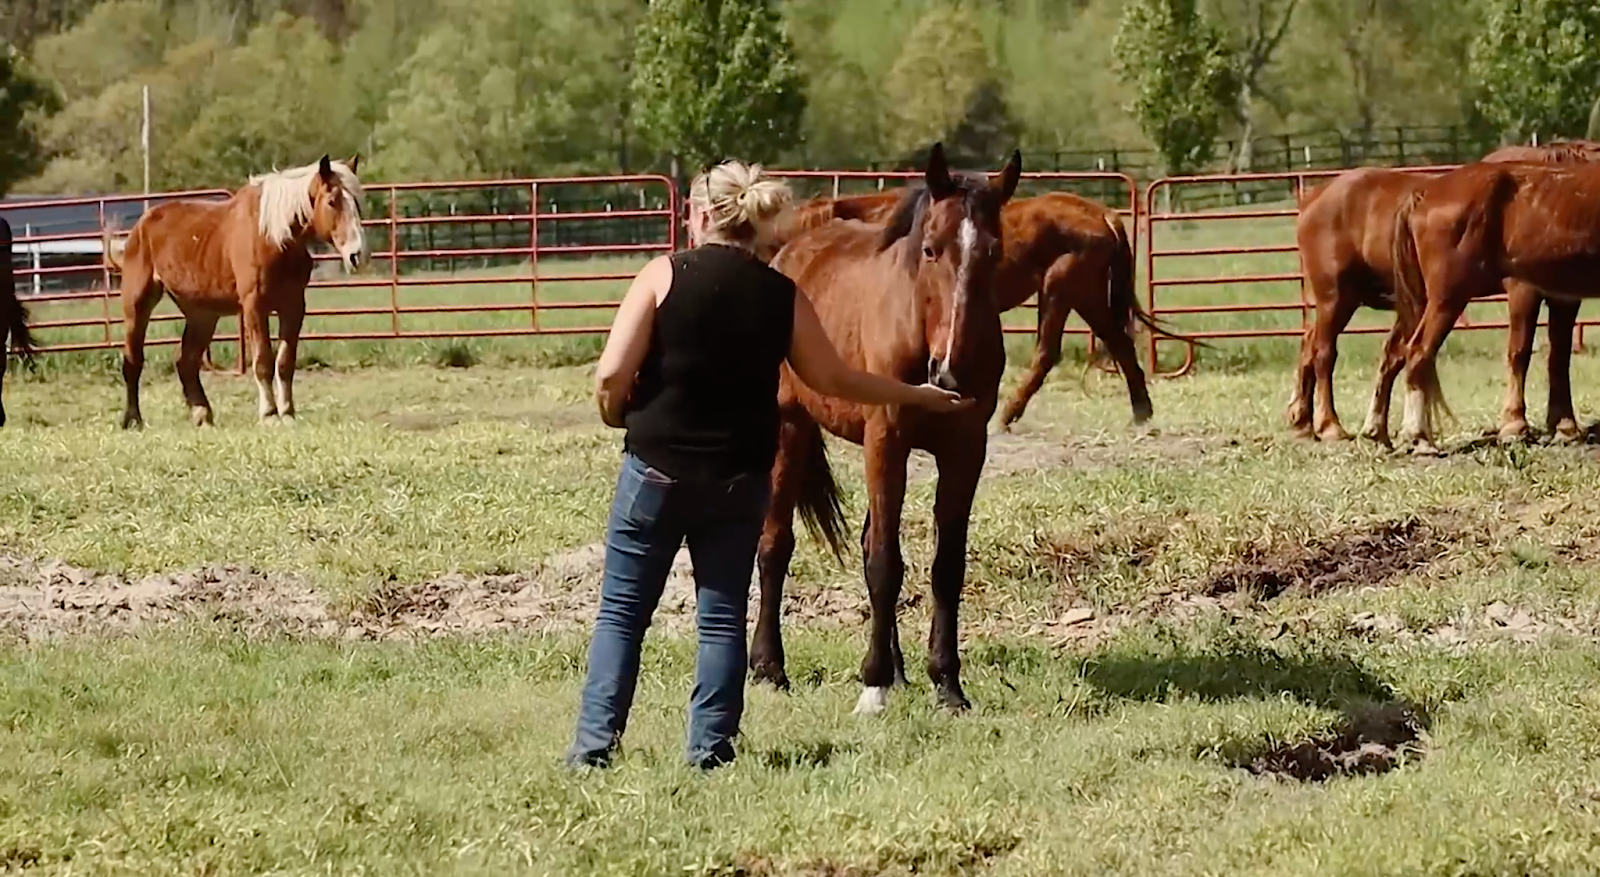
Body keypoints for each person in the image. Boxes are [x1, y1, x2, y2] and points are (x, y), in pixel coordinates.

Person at [566, 160, 975, 770]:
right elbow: (834, 378)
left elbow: (609, 375)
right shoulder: (781, 292)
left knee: (624, 614)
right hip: (740, 476)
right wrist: (916, 394)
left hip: (655, 469)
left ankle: (594, 751)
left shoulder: (661, 275)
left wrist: (614, 412)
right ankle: (710, 752)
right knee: (723, 616)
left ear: (703, 216)